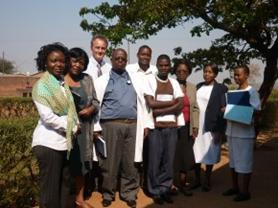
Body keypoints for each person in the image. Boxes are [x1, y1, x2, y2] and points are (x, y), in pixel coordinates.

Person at [93, 48, 150, 208]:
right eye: (117, 58)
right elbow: (96, 105)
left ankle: (129, 193)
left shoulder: (136, 79)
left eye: (123, 59)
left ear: (126, 61)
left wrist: (145, 125)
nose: (120, 61)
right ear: (112, 60)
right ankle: (108, 193)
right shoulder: (102, 81)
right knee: (109, 163)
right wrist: (96, 127)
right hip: (110, 126)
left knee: (130, 162)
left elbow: (143, 105)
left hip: (132, 126)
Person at [32, 43, 79, 208]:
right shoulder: (42, 86)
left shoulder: (61, 83)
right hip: (48, 144)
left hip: (64, 144)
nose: (59, 65)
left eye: (62, 61)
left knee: (64, 187)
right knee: (50, 192)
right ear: (45, 62)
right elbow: (48, 117)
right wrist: (73, 126)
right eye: (54, 61)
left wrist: (75, 122)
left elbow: (71, 111)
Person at [144, 54, 184, 204]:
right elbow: (151, 103)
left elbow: (180, 104)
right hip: (156, 128)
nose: (164, 68)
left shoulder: (174, 83)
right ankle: (154, 190)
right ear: (157, 65)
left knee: (168, 161)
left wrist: (161, 111)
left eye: (166, 65)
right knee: (154, 161)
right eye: (161, 65)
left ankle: (164, 189)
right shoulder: (150, 80)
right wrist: (171, 105)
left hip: (172, 127)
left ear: (170, 66)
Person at [64, 48, 99, 208]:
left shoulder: (87, 79)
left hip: (84, 130)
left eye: (81, 62)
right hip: (64, 130)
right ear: (68, 60)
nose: (77, 65)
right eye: (75, 60)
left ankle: (79, 199)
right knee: (65, 166)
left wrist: (90, 109)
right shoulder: (60, 80)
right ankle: (64, 199)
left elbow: (96, 102)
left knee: (82, 166)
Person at [222, 65, 261, 201]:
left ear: (247, 75)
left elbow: (257, 111)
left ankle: (245, 192)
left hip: (244, 134)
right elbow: (231, 110)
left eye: (239, 75)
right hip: (232, 132)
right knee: (232, 162)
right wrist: (226, 109)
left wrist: (240, 109)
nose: (236, 78)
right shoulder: (233, 93)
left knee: (245, 162)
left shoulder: (252, 92)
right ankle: (235, 187)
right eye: (235, 75)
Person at [192, 63, 227, 192]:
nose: (207, 74)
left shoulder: (221, 88)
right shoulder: (198, 86)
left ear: (215, 74)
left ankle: (207, 180)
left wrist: (219, 131)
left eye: (210, 72)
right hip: (197, 125)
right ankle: (197, 180)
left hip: (212, 126)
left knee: (209, 152)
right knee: (196, 152)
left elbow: (224, 110)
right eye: (205, 71)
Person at [126, 45, 157, 192]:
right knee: (133, 152)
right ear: (138, 55)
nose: (145, 57)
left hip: (151, 117)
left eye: (148, 55)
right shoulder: (129, 69)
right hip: (134, 116)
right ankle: (134, 181)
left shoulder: (155, 70)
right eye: (142, 54)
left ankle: (146, 182)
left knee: (149, 152)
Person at [172, 59, 199, 196]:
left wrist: (195, 127)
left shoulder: (192, 87)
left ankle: (183, 184)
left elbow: (195, 108)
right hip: (172, 127)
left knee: (186, 157)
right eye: (179, 71)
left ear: (189, 72)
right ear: (175, 71)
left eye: (185, 71)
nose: (182, 73)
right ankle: (171, 184)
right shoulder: (170, 84)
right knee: (173, 155)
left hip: (187, 127)